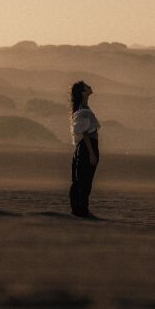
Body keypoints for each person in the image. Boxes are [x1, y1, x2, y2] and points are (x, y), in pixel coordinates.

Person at [68, 80, 100, 217]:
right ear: (83, 93)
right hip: (87, 147)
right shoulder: (84, 110)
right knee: (84, 181)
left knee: (81, 181)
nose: (90, 86)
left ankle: (79, 209)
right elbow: (85, 133)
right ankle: (81, 211)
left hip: (85, 148)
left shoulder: (83, 108)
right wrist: (92, 153)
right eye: (87, 86)